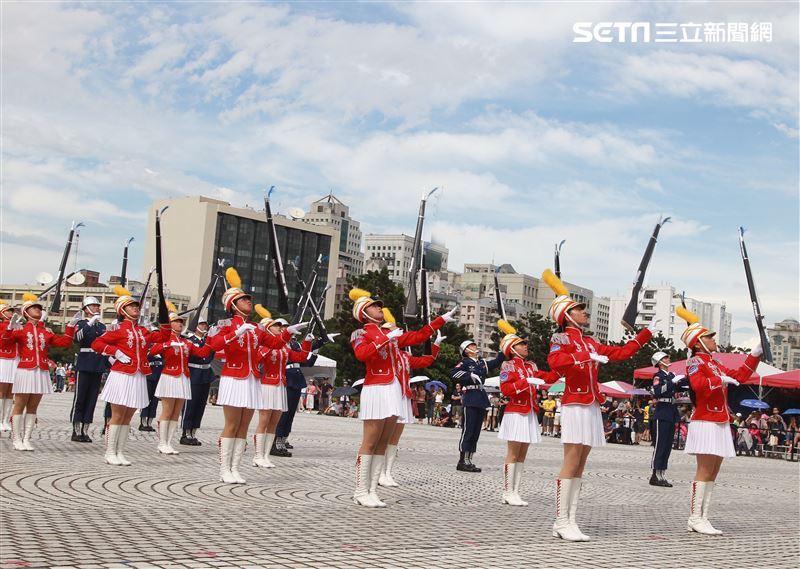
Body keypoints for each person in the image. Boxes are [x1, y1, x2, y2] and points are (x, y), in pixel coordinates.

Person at [542, 269, 653, 541]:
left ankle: (571, 519)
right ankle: (560, 520)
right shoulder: (562, 338)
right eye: (580, 310)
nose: (585, 313)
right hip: (575, 403)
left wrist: (645, 333)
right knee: (571, 460)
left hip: (591, 405)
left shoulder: (590, 340)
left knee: (581, 463)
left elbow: (620, 353)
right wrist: (582, 357)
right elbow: (555, 363)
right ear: (567, 315)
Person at [348, 287, 453, 507]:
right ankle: (360, 490)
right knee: (370, 441)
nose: (380, 308)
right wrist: (384, 341)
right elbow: (361, 354)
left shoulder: (391, 335)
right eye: (374, 306)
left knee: (383, 442)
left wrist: (439, 320)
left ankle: (372, 490)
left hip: (393, 389)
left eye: (379, 305)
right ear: (364, 312)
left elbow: (417, 337)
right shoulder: (361, 333)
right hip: (376, 387)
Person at [204, 268, 307, 484]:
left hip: (251, 379)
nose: (249, 303)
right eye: (244, 300)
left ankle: (235, 467)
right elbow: (212, 345)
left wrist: (288, 332)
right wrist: (234, 334)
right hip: (233, 377)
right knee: (231, 425)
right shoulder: (224, 325)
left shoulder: (255, 328)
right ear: (233, 305)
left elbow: (275, 343)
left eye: (249, 300)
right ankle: (224, 469)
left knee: (243, 426)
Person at [676, 306, 761, 535]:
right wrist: (718, 379)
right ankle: (695, 517)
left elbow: (740, 376)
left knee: (714, 471)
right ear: (696, 342)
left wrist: (755, 355)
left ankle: (703, 516)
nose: (713, 340)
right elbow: (698, 386)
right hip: (705, 420)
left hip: (720, 420)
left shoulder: (713, 362)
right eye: (708, 337)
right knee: (704, 470)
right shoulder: (695, 362)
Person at [91, 287, 170, 465]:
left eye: (136, 305)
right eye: (131, 306)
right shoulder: (117, 329)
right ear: (122, 310)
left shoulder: (143, 330)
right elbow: (97, 343)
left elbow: (164, 336)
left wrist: (164, 316)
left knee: (128, 416)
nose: (136, 308)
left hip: (138, 374)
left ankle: (120, 451)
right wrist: (115, 352)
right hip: (122, 374)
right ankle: (110, 451)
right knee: (117, 415)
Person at [377, 308, 444, 487]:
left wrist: (435, 344)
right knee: (382, 436)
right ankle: (377, 471)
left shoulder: (405, 356)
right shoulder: (383, 354)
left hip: (403, 397)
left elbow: (426, 361)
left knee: (395, 438)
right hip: (387, 395)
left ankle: (387, 472)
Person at [496, 321, 558, 506]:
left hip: (530, 411)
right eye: (521, 344)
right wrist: (526, 383)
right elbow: (506, 390)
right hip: (516, 411)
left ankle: (515, 491)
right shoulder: (507, 366)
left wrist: (561, 364)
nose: (526, 346)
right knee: (513, 454)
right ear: (512, 348)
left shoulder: (531, 365)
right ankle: (507, 491)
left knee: (522, 455)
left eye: (525, 343)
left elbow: (548, 377)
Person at [3, 293, 76, 451]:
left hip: (41, 370)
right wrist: (9, 329)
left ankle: (27, 438)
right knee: (20, 404)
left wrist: (70, 326)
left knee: (33, 407)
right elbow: (4, 343)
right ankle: (16, 438)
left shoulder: (46, 332)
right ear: (26, 312)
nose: (38, 310)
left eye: (38, 308)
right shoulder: (20, 329)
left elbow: (64, 343)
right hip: (25, 370)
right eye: (34, 308)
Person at [251, 306, 311, 468]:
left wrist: (308, 342)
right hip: (267, 385)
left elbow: (302, 357)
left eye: (280, 326)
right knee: (264, 420)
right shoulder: (265, 346)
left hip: (280, 385)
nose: (280, 328)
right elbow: (255, 361)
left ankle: (265, 455)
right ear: (268, 329)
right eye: (276, 325)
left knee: (274, 422)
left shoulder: (284, 347)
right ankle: (257, 455)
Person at [149, 306, 212, 455]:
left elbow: (202, 352)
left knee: (176, 412)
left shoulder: (185, 341)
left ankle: (169, 442)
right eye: (176, 321)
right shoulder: (165, 339)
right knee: (168, 410)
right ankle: (162, 442)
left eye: (181, 322)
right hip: (170, 375)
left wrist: (210, 339)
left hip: (183, 377)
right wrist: (166, 344)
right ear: (169, 324)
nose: (180, 324)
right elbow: (152, 352)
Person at [449, 338, 504, 473]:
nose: (475, 346)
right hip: (470, 396)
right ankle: (462, 461)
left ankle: (469, 459)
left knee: (475, 432)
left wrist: (503, 349)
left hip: (480, 397)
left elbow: (496, 362)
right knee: (468, 430)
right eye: (472, 345)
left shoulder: (481, 362)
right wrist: (469, 375)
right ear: (466, 350)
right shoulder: (465, 362)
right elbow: (453, 373)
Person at [273, 333, 329, 456]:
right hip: (288, 378)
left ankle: (283, 439)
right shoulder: (283, 345)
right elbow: (298, 353)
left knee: (291, 414)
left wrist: (316, 349)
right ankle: (276, 442)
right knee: (284, 413)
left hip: (296, 380)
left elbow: (307, 362)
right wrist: (316, 342)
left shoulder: (293, 345)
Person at [69, 296, 107, 443]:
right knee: (80, 398)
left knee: (92, 399)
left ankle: (85, 429)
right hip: (84, 363)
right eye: (93, 306)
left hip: (98, 364)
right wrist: (90, 323)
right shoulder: (81, 323)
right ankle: (76, 430)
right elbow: (77, 338)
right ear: (86, 309)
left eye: (97, 306)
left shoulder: (102, 326)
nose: (97, 308)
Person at [649, 351, 689, 487]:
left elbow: (680, 387)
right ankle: (655, 474)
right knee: (660, 445)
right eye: (665, 357)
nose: (668, 358)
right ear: (660, 362)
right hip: (662, 411)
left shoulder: (671, 375)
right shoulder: (658, 376)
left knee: (667, 446)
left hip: (671, 411)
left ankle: (662, 473)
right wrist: (672, 382)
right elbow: (658, 391)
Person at [180, 317, 215, 446]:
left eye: (205, 324)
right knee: (190, 404)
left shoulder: (207, 341)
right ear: (196, 326)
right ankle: (186, 432)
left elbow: (210, 356)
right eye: (201, 324)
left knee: (200, 405)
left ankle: (193, 431)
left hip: (205, 374)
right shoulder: (190, 340)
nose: (204, 326)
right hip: (194, 373)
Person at [0, 300, 18, 432]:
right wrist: (9, 328)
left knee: (11, 391)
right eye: (8, 311)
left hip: (15, 359)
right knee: (1, 390)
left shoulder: (17, 325)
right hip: (4, 358)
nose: (11, 313)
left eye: (12, 311)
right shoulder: (1, 326)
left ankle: (5, 420)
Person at [139, 352, 162, 433]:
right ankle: (143, 422)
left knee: (154, 402)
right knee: (146, 400)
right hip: (148, 377)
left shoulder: (162, 351)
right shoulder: (149, 349)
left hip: (158, 378)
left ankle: (149, 422)